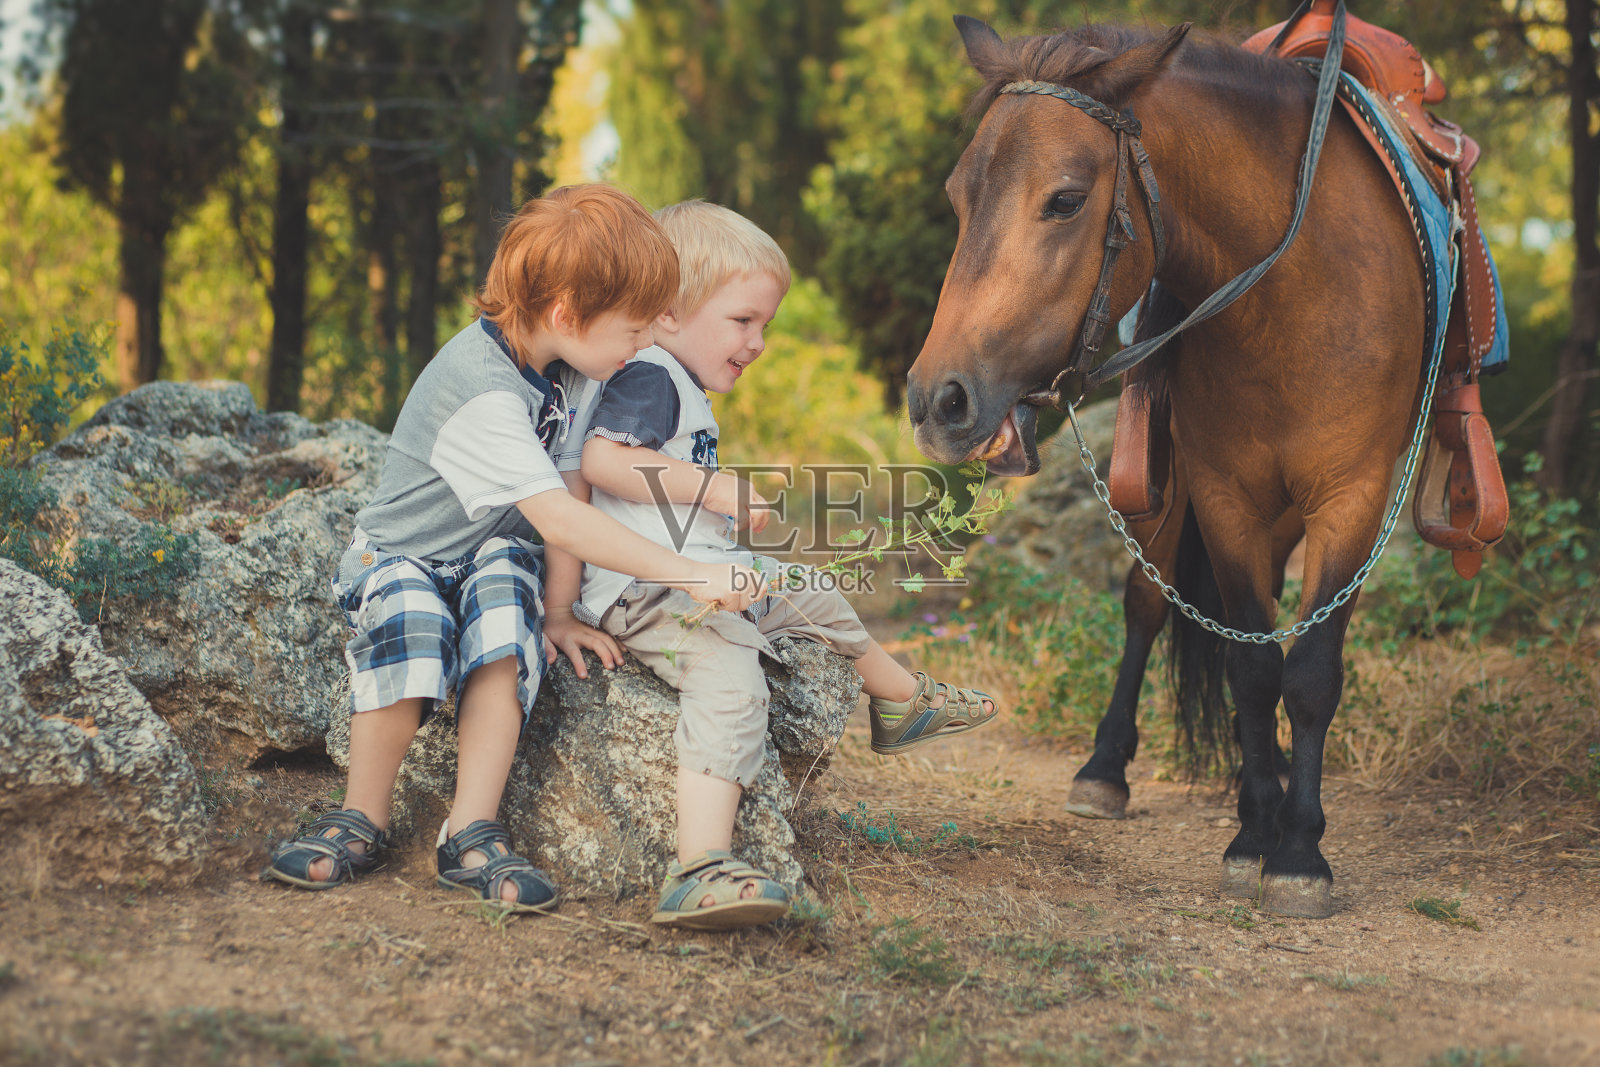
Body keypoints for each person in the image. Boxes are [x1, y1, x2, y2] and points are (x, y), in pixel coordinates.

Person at [260, 185, 765, 915]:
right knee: (414, 628)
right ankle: (361, 815)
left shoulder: (567, 364)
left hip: (490, 549)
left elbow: (566, 474)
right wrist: (693, 572)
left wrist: (559, 609)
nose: (646, 342)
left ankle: (472, 825)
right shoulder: (481, 390)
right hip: (407, 553)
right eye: (632, 328)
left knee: (506, 627)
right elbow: (561, 516)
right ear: (566, 312)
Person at [575, 200, 999, 930]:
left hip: (702, 576)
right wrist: (711, 487)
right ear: (670, 313)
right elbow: (600, 459)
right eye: (744, 321)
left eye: (764, 324)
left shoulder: (680, 383)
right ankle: (698, 863)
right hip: (650, 590)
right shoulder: (648, 375)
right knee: (733, 682)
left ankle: (901, 701)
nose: (760, 341)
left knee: (816, 591)